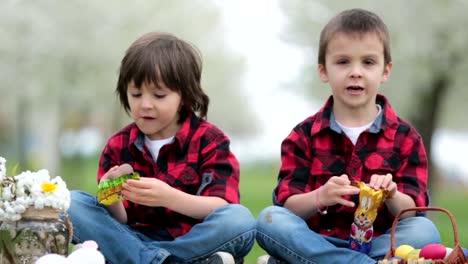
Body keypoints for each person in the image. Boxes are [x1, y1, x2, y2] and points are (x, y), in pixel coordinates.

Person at [256, 8, 440, 264]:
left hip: (381, 242)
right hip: (318, 240)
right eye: (343, 62)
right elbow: (288, 206)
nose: (355, 72)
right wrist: (320, 196)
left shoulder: (406, 138)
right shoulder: (303, 136)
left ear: (385, 71)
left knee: (425, 231)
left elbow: (413, 212)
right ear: (323, 71)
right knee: (270, 220)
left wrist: (393, 195)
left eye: (368, 62)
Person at [68, 32, 256, 264]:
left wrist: (170, 197)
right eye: (136, 94)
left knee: (239, 220)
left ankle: (142, 259)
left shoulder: (210, 140)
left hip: (191, 238)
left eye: (159, 95)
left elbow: (220, 205)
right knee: (72, 202)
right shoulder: (118, 144)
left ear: (184, 97)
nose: (145, 105)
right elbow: (120, 221)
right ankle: (167, 261)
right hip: (132, 236)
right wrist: (111, 195)